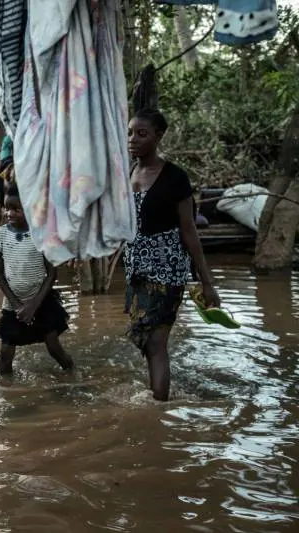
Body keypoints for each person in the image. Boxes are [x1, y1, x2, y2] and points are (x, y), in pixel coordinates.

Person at [125, 108, 221, 401]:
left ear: (158, 136)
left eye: (142, 133)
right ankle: (159, 394)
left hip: (168, 271)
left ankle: (158, 408)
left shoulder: (175, 177)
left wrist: (206, 282)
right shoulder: (129, 172)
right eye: (130, 132)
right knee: (146, 339)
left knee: (156, 342)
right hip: (137, 271)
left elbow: (189, 230)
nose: (133, 139)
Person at [0, 183, 74, 375]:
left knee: (54, 348)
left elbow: (52, 274)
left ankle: (73, 375)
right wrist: (17, 304)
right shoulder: (0, 235)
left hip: (41, 301)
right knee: (5, 353)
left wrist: (33, 305)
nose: (10, 213)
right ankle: (6, 392)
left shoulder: (41, 235)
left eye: (16, 209)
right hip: (13, 304)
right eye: (7, 208)